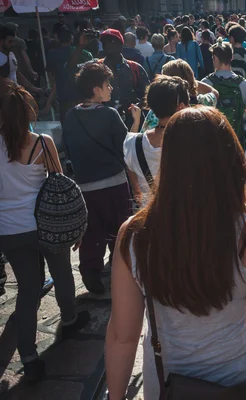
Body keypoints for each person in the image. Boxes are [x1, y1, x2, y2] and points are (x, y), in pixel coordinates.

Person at [105, 107, 246, 400]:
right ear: (230, 160)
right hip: (237, 384)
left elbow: (122, 337)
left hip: (165, 386)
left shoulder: (135, 235)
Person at [0, 81, 91, 383]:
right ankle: (69, 318)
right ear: (29, 112)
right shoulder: (42, 142)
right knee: (62, 272)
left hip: (10, 231)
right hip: (47, 224)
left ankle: (28, 356)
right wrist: (75, 224)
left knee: (28, 290)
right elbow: (62, 185)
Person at [62, 63, 134, 295]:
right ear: (96, 89)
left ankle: (90, 271)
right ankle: (120, 270)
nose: (110, 88)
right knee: (119, 230)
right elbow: (126, 147)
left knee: (91, 231)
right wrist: (135, 121)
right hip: (114, 183)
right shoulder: (110, 115)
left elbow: (69, 151)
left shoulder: (70, 116)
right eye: (107, 85)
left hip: (85, 186)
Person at [124, 76, 189, 205]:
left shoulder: (132, 142)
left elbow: (137, 193)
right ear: (181, 106)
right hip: (186, 216)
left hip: (150, 216)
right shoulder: (193, 140)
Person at [201, 39, 246, 150]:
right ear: (231, 58)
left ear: (215, 58)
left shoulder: (205, 84)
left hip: (213, 140)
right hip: (236, 139)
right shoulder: (244, 84)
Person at [98, 29, 149, 129]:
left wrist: (135, 107)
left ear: (121, 45)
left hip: (132, 124)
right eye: (105, 42)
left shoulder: (135, 68)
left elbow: (148, 95)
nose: (108, 45)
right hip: (104, 125)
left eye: (112, 42)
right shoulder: (97, 68)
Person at [43, 26, 94, 123]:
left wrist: (49, 101)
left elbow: (52, 80)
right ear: (71, 38)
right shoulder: (86, 54)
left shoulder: (52, 54)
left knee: (67, 126)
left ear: (57, 37)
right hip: (83, 97)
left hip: (64, 97)